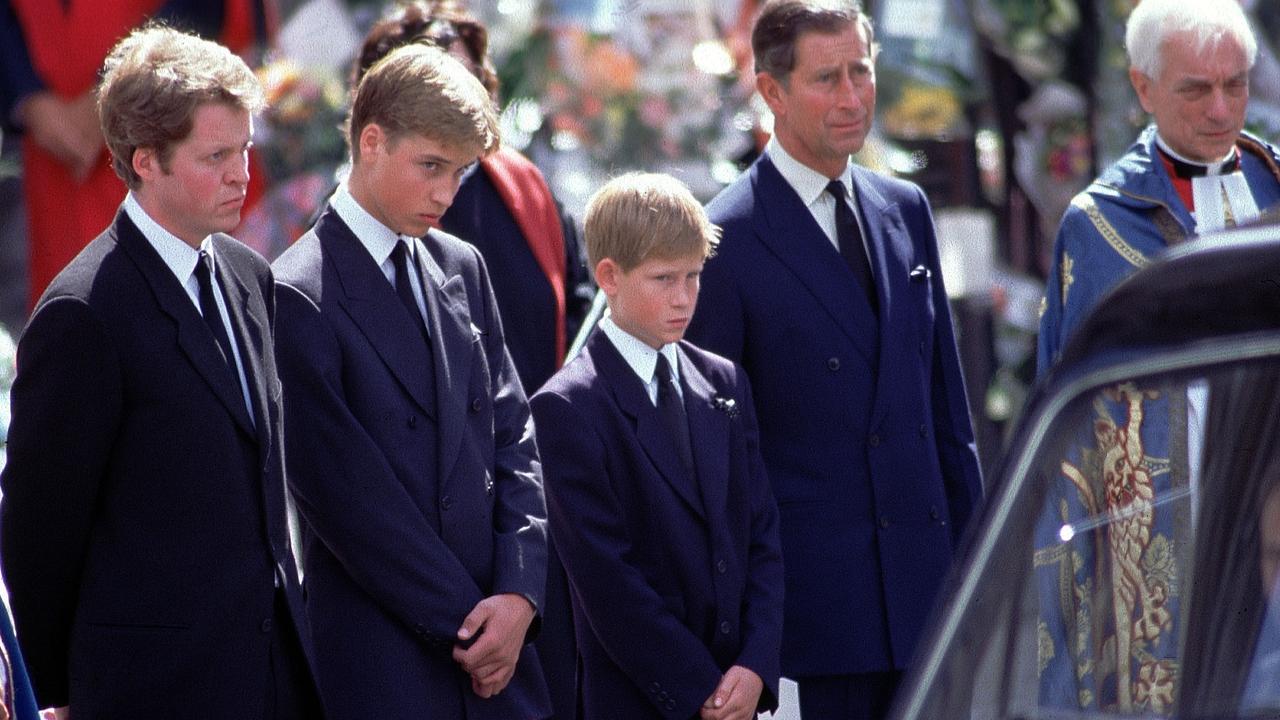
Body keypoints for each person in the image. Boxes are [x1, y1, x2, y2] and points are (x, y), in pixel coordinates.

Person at [0, 25, 320, 718]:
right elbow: (41, 533)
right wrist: (58, 693)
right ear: (146, 161)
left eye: (244, 149)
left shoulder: (247, 275)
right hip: (152, 690)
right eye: (216, 156)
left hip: (274, 682)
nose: (241, 173)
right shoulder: (84, 314)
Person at [683, 1, 983, 717]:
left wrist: (983, 575)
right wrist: (748, 638)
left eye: (861, 71)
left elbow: (947, 418)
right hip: (815, 624)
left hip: (927, 604)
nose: (852, 97)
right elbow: (722, 467)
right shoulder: (726, 238)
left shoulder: (904, 207)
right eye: (827, 78)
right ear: (773, 91)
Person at [271, 43, 551, 720]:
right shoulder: (297, 291)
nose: (445, 195)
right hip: (386, 664)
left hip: (499, 650)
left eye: (459, 173)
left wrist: (519, 595)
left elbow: (515, 437)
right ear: (372, 142)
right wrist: (474, 629)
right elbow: (351, 505)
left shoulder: (463, 266)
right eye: (430, 167)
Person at [349, 7, 586, 714]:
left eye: (466, 76)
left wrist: (520, 583)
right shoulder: (344, 257)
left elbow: (532, 390)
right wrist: (480, 616)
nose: (446, 189)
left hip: (532, 538)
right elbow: (351, 490)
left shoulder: (522, 194)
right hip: (431, 596)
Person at [530, 173, 784, 720]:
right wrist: (702, 692)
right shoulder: (568, 406)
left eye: (694, 276)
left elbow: (761, 533)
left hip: (740, 692)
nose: (684, 297)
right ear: (608, 277)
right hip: (641, 701)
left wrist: (755, 664)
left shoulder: (724, 381)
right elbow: (609, 585)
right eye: (663, 278)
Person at [1037, 0, 1280, 374]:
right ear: (1144, 88)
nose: (1220, 110)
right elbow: (1068, 385)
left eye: (1234, 85)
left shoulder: (1274, 183)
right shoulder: (1099, 223)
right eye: (1196, 90)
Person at [0, 0, 272, 309]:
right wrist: (28, 98)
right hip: (51, 144)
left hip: (168, 122)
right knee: (72, 309)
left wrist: (123, 94)